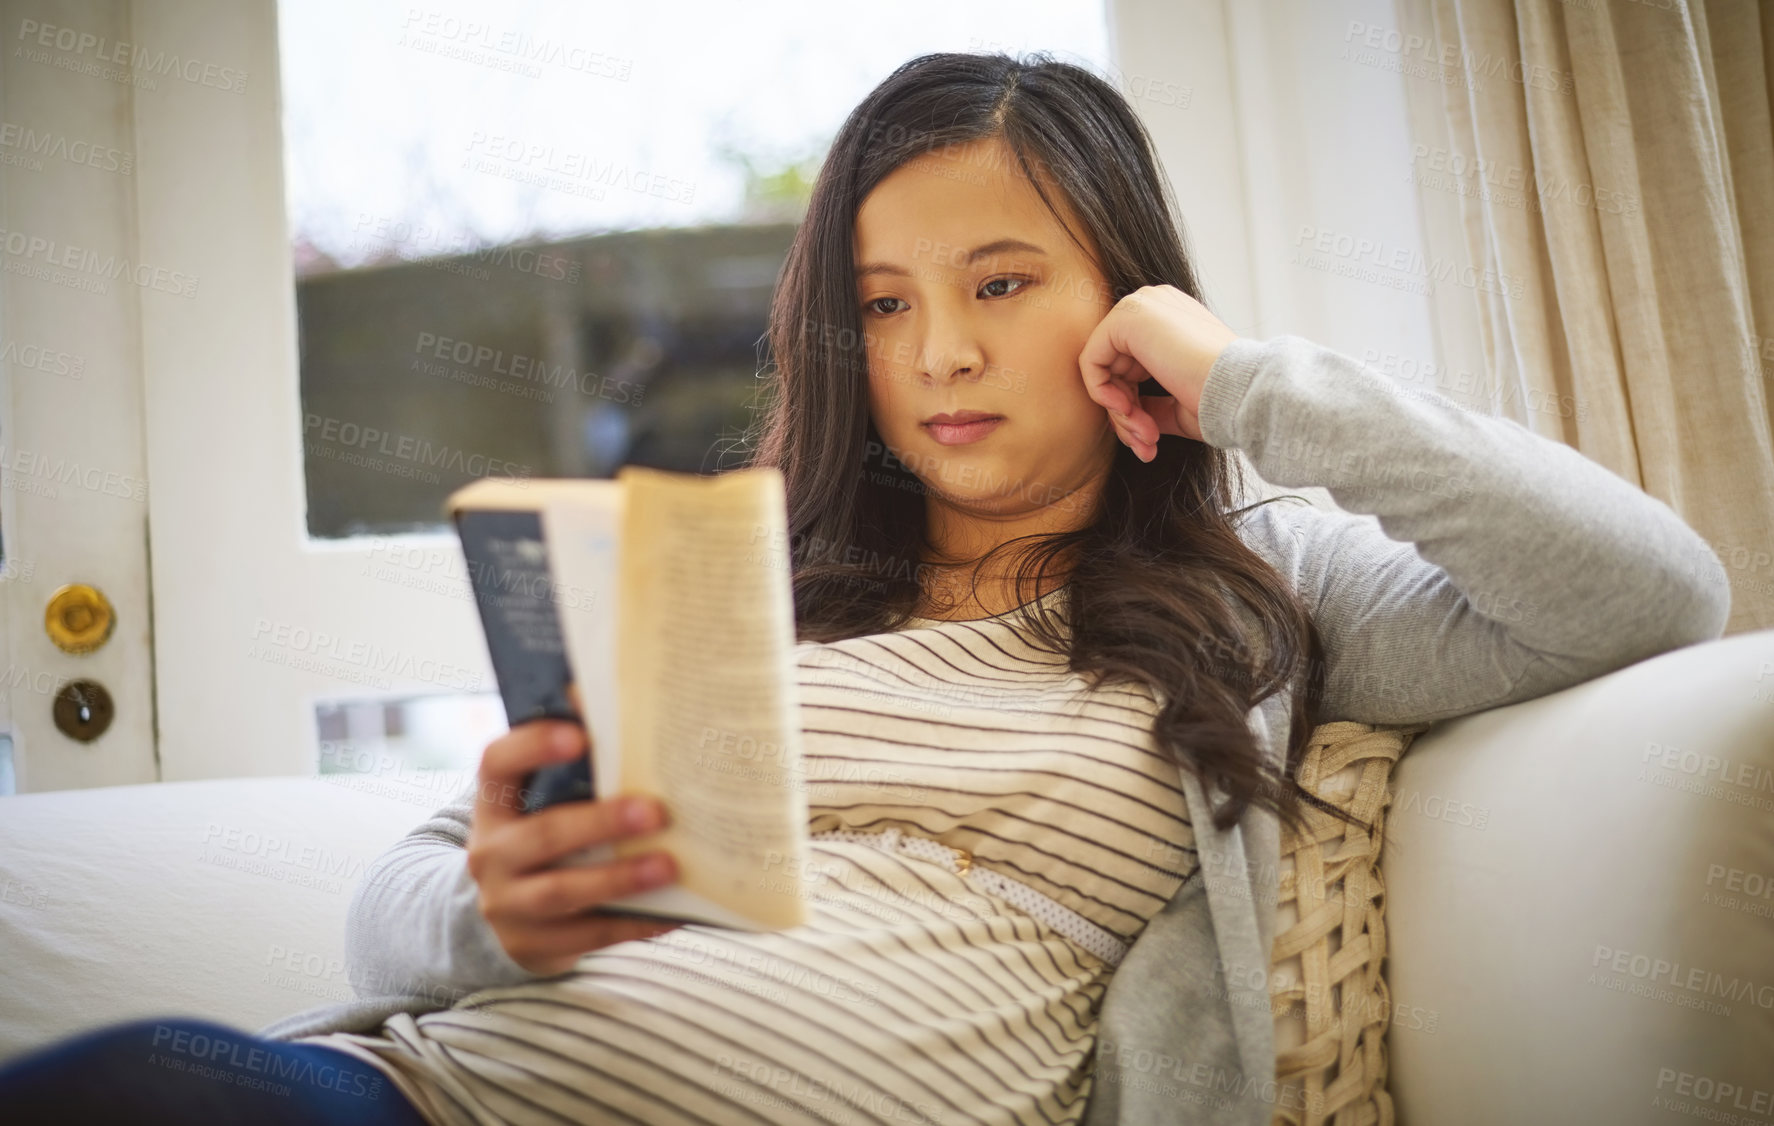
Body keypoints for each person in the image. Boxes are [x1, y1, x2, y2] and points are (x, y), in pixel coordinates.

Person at [0, 50, 1729, 1126]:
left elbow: (1646, 590)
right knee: (136, 1078)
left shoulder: (1255, 594)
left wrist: (1246, 379)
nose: (942, 352)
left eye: (1000, 279)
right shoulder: (750, 584)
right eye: (887, 301)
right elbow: (413, 888)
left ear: (1123, 294)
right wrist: (493, 914)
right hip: (444, 1099)